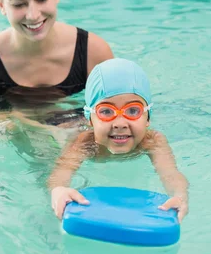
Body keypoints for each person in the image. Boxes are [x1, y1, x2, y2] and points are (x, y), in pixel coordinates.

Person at [47, 58, 189, 222]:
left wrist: (180, 196)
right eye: (106, 111)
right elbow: (61, 172)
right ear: (90, 120)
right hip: (64, 124)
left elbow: (171, 174)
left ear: (148, 118)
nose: (120, 124)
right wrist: (59, 190)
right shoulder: (84, 143)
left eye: (133, 110)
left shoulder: (152, 141)